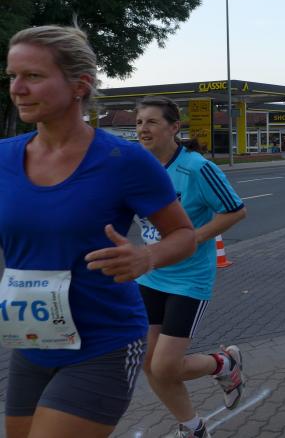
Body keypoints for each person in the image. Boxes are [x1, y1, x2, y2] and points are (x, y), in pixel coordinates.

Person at [1, 25, 196, 438]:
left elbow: (184, 235)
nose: (17, 88)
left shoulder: (124, 160)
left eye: (33, 76)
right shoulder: (3, 158)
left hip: (104, 342)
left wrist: (146, 257)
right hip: (33, 341)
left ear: (80, 85)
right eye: (12, 76)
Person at [135, 96, 248, 438]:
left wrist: (191, 239)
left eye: (152, 122)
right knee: (149, 363)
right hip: (151, 275)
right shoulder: (138, 168)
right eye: (139, 122)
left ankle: (223, 363)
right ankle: (193, 427)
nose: (143, 129)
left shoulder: (197, 168)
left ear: (174, 127)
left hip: (188, 279)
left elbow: (236, 211)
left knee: (165, 365)